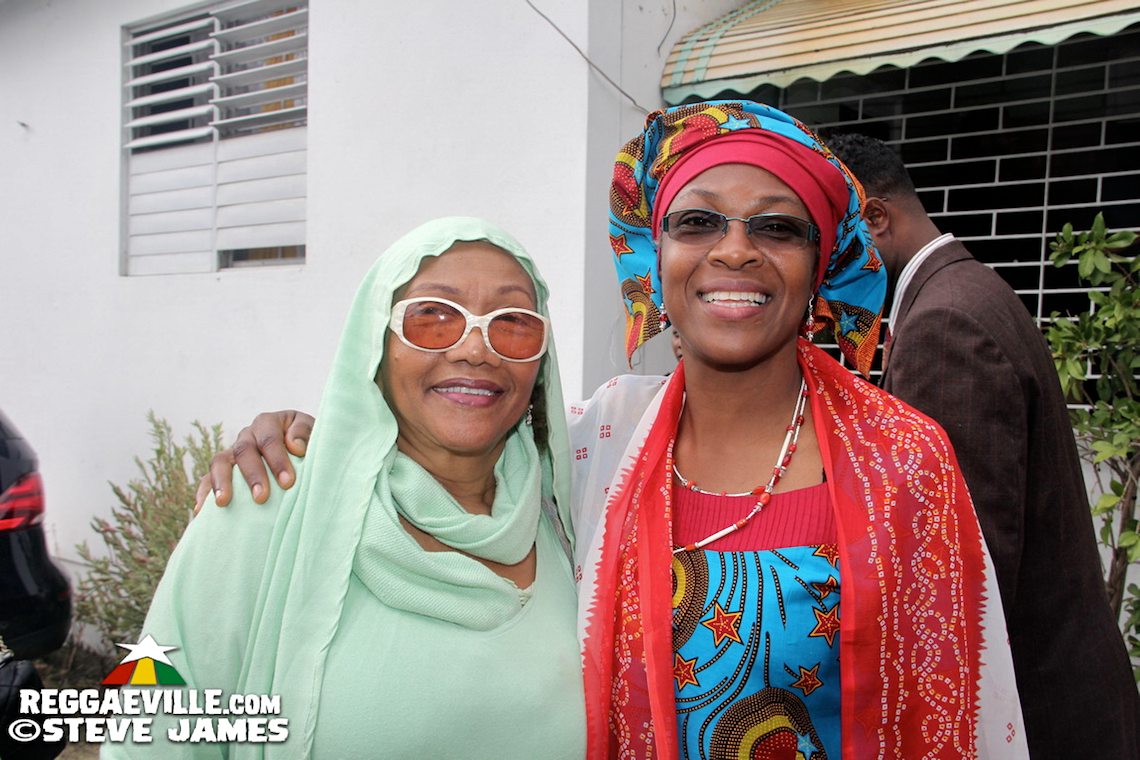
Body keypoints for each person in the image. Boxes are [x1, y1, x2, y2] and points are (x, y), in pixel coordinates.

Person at [200, 102, 1026, 758]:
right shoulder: (593, 447)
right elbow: (447, 440)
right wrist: (314, 433)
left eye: (777, 227)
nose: (735, 251)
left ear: (821, 266)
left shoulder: (903, 460)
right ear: (652, 262)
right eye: (697, 222)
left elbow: (968, 709)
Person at [110, 217, 585, 758]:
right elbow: (148, 736)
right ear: (374, 346)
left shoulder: (576, 519)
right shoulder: (267, 507)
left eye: (513, 322)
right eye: (433, 316)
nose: (476, 349)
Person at [825, 132, 1140, 758]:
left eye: (831, 246)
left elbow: (962, 571)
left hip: (1038, 715)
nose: (825, 275)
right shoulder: (965, 290)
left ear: (875, 218)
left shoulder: (944, 324)